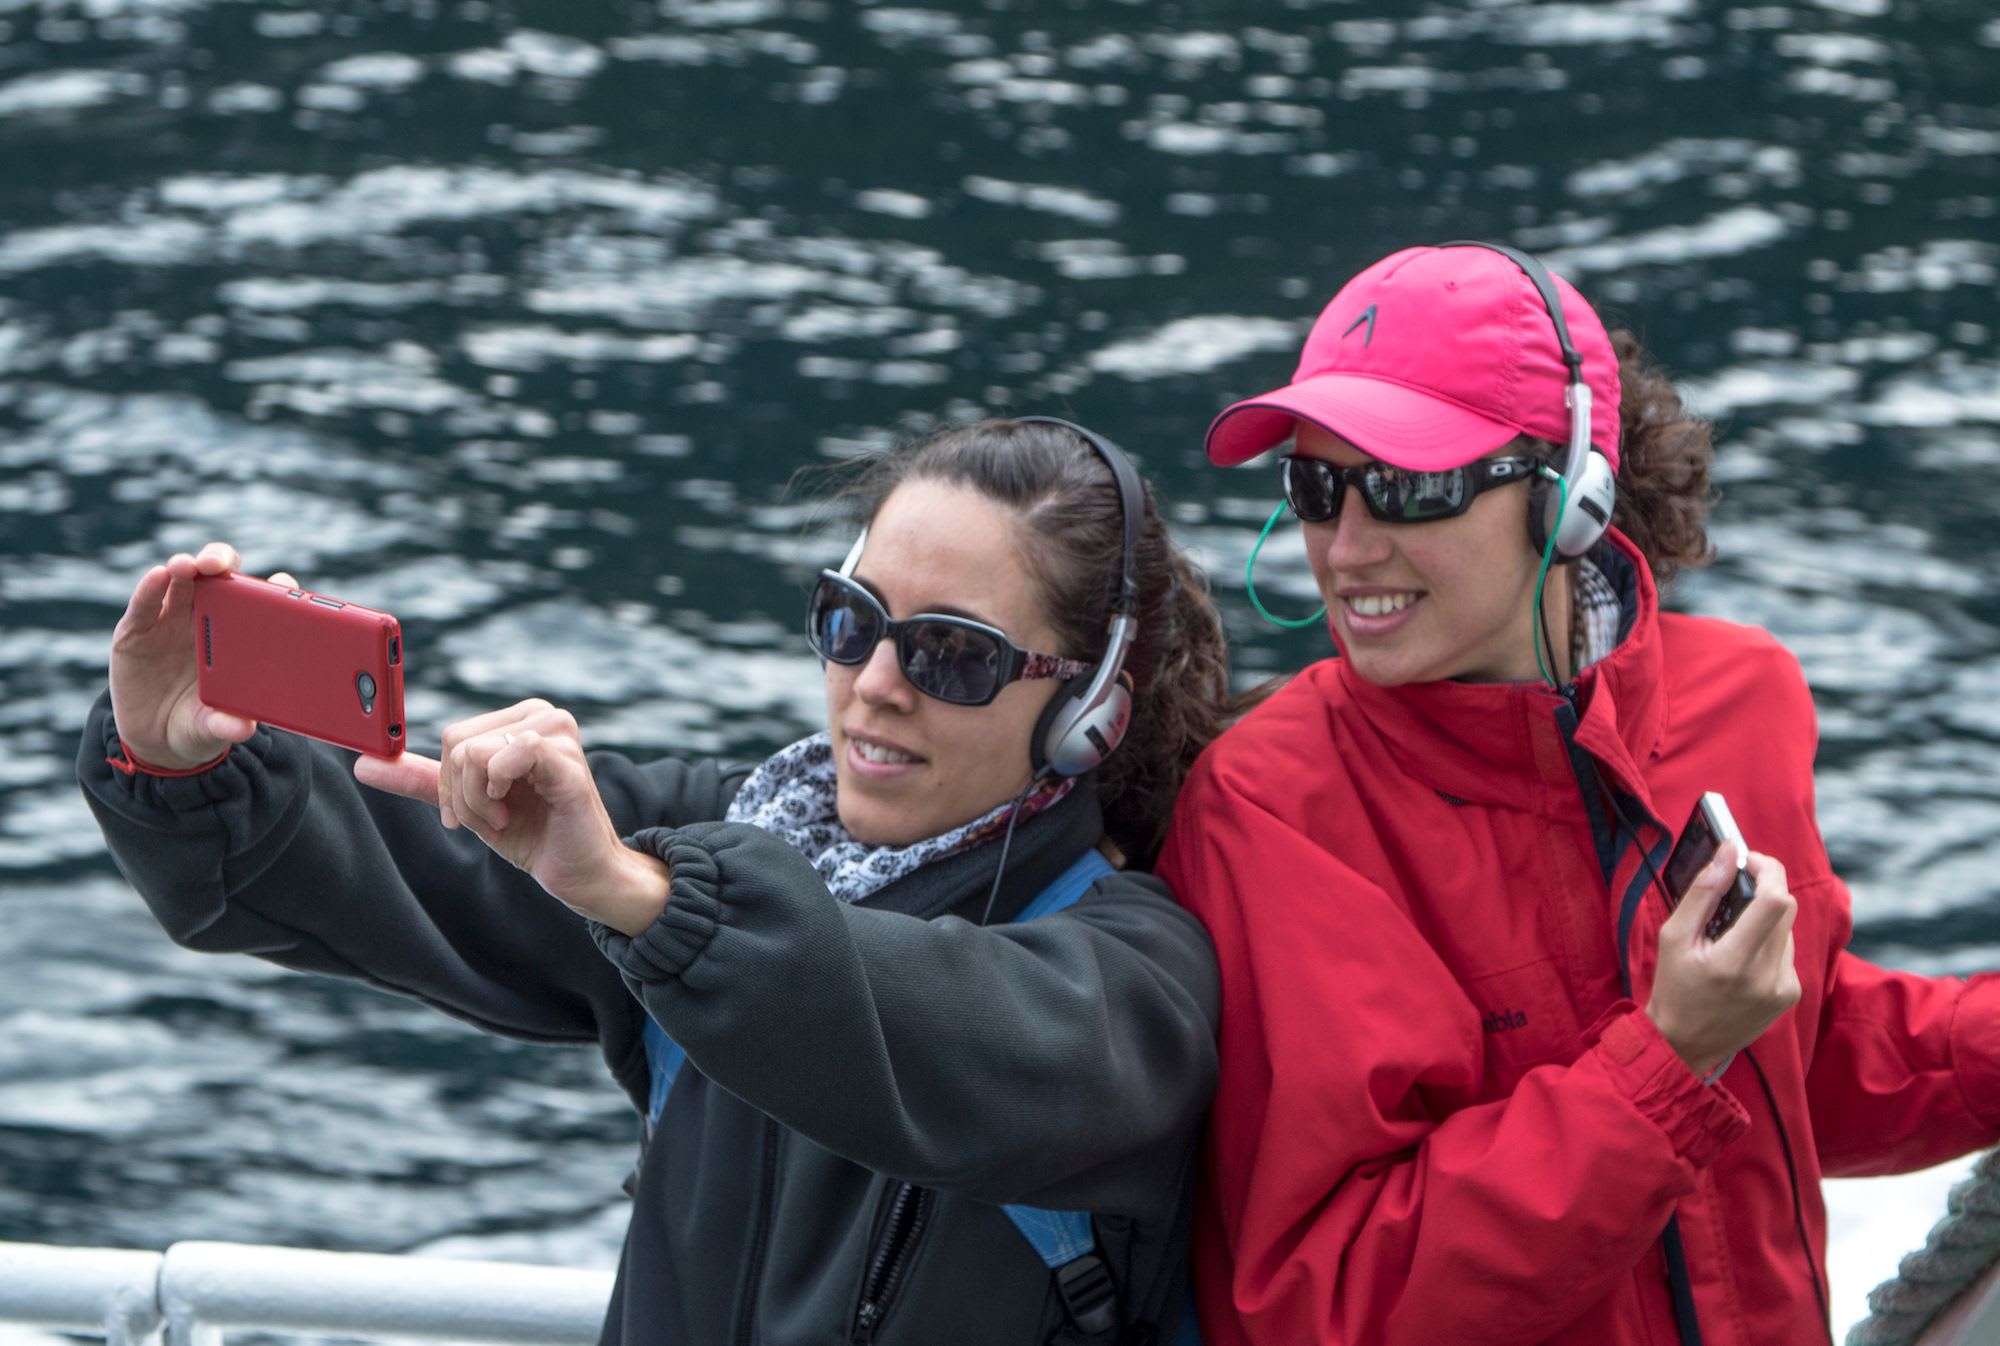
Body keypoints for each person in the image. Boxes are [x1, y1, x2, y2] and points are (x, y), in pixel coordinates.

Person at [80, 416, 1229, 1346]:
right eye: (851, 620)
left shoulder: (1132, 977)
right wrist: (189, 761)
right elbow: (366, 864)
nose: (875, 683)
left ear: (1088, 714)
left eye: (952, 654)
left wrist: (646, 903)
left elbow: (928, 1024)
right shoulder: (715, 840)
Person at [1157, 242, 2000, 1345]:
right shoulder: (1267, 808)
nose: (1347, 547)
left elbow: (1800, 1049)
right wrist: (1662, 1063)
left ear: (1570, 493)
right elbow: (1326, 1300)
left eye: (1411, 487)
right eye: (1316, 486)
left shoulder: (1743, 697)